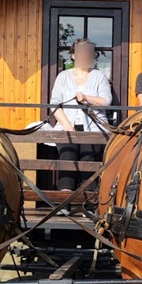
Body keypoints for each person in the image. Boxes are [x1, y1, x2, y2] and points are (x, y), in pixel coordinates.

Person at [49, 39, 112, 191]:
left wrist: (86, 98)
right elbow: (55, 103)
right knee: (67, 157)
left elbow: (106, 100)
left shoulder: (99, 76)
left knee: (88, 159)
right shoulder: (63, 76)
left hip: (93, 128)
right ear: (73, 55)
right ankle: (65, 200)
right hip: (67, 125)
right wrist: (68, 126)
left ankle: (88, 203)